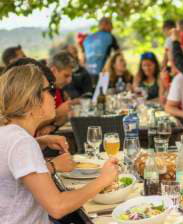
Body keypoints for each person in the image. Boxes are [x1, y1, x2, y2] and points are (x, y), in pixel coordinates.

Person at [0, 64, 119, 223]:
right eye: (49, 90)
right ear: (32, 100)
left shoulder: (9, 133)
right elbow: (57, 206)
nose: (54, 96)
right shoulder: (22, 142)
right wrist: (104, 179)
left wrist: (39, 142)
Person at [83, 17, 120, 86]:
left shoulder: (87, 39)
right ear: (105, 24)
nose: (112, 28)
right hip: (103, 72)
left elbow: (83, 57)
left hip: (87, 73)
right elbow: (118, 53)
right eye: (111, 25)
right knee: (103, 93)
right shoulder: (109, 36)